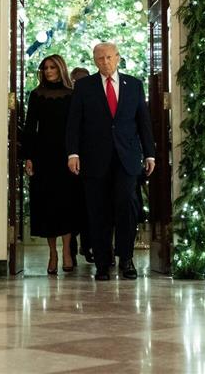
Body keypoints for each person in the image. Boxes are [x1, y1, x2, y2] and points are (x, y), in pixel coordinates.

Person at [66, 42, 155, 281]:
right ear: (95, 61)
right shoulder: (84, 87)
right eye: (100, 59)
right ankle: (103, 263)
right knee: (98, 211)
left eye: (109, 57)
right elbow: (74, 123)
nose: (105, 62)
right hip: (94, 158)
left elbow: (143, 122)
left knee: (127, 206)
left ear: (118, 58)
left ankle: (126, 258)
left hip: (126, 159)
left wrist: (150, 154)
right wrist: (72, 153)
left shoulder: (134, 85)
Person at [22, 54, 79, 274]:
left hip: (66, 156)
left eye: (52, 67)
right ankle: (52, 253)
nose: (48, 71)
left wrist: (76, 154)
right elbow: (29, 127)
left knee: (66, 204)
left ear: (60, 69)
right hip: (42, 155)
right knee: (46, 205)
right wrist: (29, 156)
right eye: (45, 68)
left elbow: (77, 126)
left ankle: (66, 251)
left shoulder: (72, 95)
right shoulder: (36, 95)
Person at [68, 67, 92, 263]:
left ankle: (86, 245)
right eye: (75, 81)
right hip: (68, 161)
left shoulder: (92, 97)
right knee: (73, 208)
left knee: (87, 207)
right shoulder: (67, 97)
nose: (78, 84)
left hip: (90, 162)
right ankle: (72, 250)